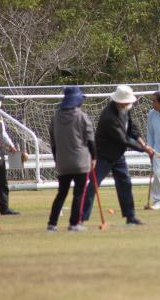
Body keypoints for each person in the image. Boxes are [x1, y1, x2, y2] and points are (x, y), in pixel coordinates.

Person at [81, 85, 153, 225]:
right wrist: (144, 149)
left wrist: (142, 142)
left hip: (118, 155)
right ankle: (81, 218)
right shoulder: (109, 117)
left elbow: (132, 128)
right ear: (119, 101)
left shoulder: (125, 109)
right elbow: (123, 139)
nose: (129, 104)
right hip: (103, 156)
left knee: (125, 183)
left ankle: (130, 217)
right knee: (93, 185)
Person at [46, 86, 96, 232]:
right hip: (81, 161)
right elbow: (91, 139)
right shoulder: (81, 117)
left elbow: (53, 142)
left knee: (61, 193)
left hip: (62, 162)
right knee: (79, 193)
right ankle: (74, 223)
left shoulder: (55, 118)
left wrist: (57, 160)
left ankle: (52, 223)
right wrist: (94, 157)